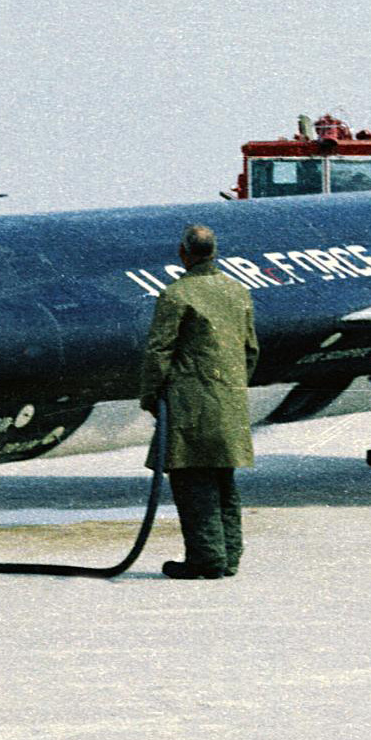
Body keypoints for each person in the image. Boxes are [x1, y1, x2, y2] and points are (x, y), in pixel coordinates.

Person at [141, 224, 260, 580]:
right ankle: (228, 557)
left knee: (193, 480)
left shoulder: (177, 294)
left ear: (183, 252)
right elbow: (251, 350)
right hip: (229, 401)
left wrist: (150, 395)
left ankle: (206, 558)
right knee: (224, 480)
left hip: (190, 403)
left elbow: (159, 352)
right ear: (215, 251)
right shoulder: (237, 291)